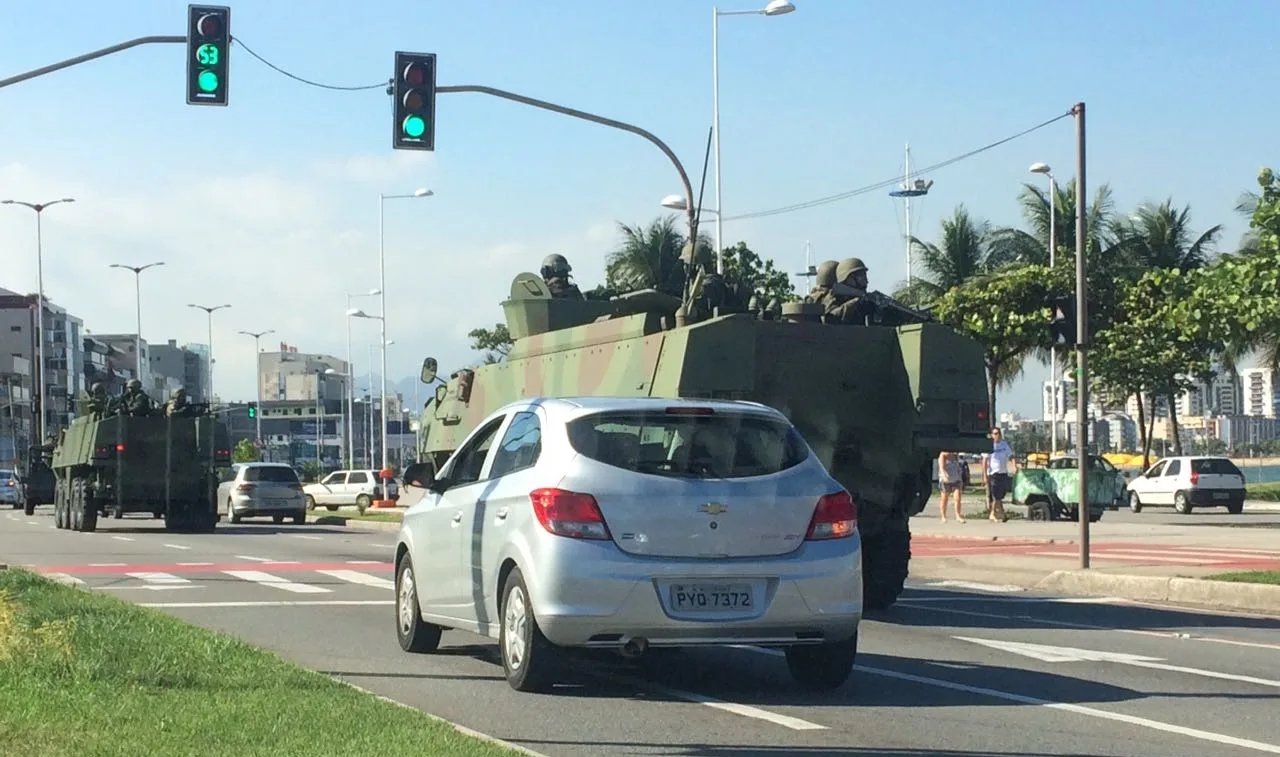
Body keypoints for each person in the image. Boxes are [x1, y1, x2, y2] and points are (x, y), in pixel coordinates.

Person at [982, 427, 1014, 522]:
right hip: (993, 473)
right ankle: (992, 514)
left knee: (1000, 495)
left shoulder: (1004, 445)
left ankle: (1002, 513)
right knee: (996, 495)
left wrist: (1014, 465)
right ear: (991, 435)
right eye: (995, 433)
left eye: (998, 433)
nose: (997, 435)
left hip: (1003, 472)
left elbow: (1011, 455)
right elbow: (984, 460)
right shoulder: (989, 445)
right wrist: (984, 475)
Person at [937, 450, 964, 522]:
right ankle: (943, 516)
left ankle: (958, 515)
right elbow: (941, 468)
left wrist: (960, 478)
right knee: (944, 498)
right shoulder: (942, 455)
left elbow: (958, 467)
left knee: (957, 497)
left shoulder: (955, 455)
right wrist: (944, 476)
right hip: (946, 480)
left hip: (956, 479)